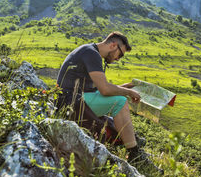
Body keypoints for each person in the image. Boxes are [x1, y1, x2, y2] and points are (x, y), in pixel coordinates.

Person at [56, 31, 149, 163]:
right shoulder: (92, 54)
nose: (118, 59)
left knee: (118, 101)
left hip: (72, 98)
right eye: (120, 54)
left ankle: (133, 142)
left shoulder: (90, 51)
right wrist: (127, 92)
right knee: (120, 102)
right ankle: (135, 154)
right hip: (70, 101)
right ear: (113, 45)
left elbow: (98, 89)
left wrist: (123, 88)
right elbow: (105, 90)